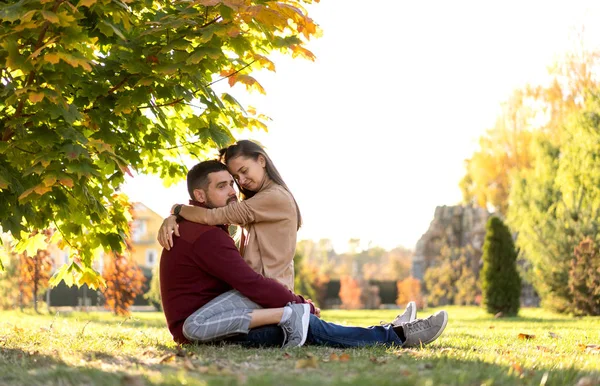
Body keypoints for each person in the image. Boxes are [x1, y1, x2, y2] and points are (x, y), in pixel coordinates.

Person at [159, 160, 449, 349]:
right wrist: (301, 303)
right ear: (200, 197)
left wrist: (174, 212)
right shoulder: (206, 236)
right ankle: (397, 335)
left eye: (232, 183)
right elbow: (250, 284)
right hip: (205, 329)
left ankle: (393, 330)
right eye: (222, 187)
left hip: (223, 319)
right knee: (309, 328)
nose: (233, 191)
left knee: (306, 327)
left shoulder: (197, 227)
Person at [158, 139, 302, 290]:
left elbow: (211, 216)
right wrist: (174, 217)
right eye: (237, 177)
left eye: (244, 171)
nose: (242, 181)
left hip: (269, 292)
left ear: (261, 160)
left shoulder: (274, 197)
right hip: (263, 290)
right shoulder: (259, 200)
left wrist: (177, 209)